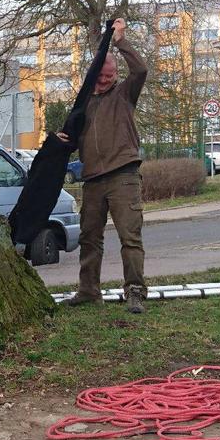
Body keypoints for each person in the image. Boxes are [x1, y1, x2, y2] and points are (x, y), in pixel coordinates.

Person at [67, 17, 148, 313]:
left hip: (123, 176)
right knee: (89, 238)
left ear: (116, 74)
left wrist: (120, 41)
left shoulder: (125, 94)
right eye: (100, 75)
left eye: (110, 74)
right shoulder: (83, 104)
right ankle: (89, 290)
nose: (105, 79)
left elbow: (140, 69)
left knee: (130, 237)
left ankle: (135, 292)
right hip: (92, 180)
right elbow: (71, 139)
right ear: (92, 75)